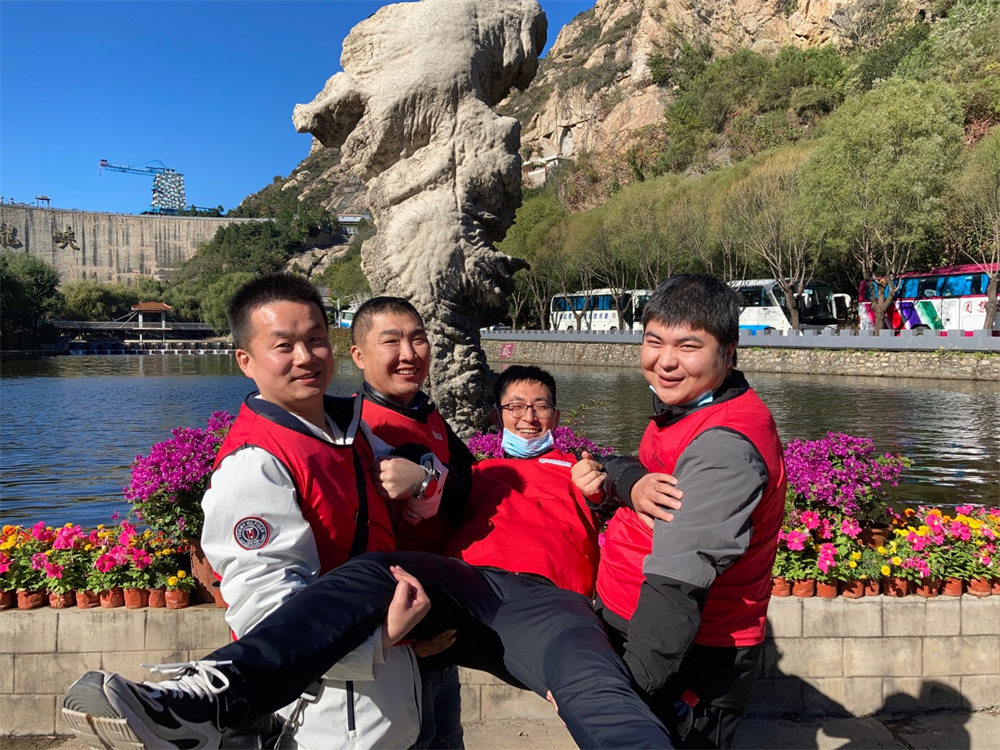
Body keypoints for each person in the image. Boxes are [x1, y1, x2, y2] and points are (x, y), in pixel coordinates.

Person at [62, 367, 679, 750]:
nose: (528, 416)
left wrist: (624, 481)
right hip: (465, 590)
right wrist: (421, 478)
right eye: (516, 406)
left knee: (598, 694)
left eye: (540, 406)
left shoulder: (576, 465)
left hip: (548, 604)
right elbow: (425, 484)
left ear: (557, 416)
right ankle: (216, 696)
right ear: (499, 416)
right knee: (380, 572)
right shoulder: (475, 468)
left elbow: (625, 470)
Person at [192, 273, 438, 749]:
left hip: (390, 701)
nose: (305, 357)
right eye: (283, 346)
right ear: (246, 361)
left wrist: (424, 480)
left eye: (316, 340)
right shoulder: (254, 464)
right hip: (328, 717)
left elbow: (420, 486)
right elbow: (267, 614)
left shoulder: (349, 429)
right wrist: (381, 639)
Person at [573, 273, 787, 749]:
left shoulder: (724, 447)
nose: (665, 361)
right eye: (654, 342)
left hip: (684, 653)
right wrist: (627, 481)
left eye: (688, 346)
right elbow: (648, 475)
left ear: (728, 353)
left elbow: (677, 588)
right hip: (631, 618)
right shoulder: (688, 407)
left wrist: (619, 698)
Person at [350, 296, 475, 750]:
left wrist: (427, 478)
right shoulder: (356, 429)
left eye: (418, 339)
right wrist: (397, 636)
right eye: (391, 341)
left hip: (440, 610)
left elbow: (469, 481)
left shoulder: (426, 410)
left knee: (448, 738)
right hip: (400, 630)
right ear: (359, 355)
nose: (409, 353)